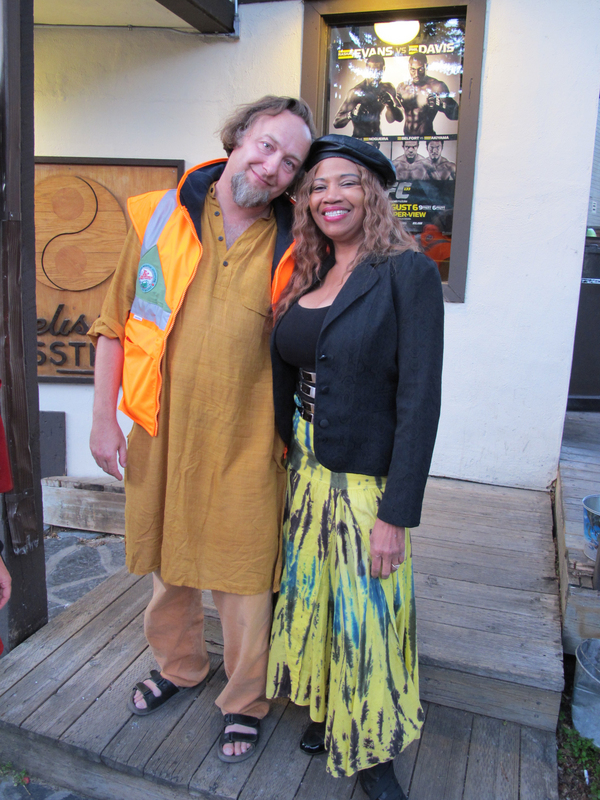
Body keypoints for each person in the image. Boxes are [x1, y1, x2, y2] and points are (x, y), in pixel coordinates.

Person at [88, 96, 314, 763]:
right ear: (238, 137)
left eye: (291, 162)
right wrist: (103, 420)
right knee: (168, 561)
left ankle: (244, 698)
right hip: (162, 427)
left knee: (246, 577)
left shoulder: (299, 239)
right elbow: (114, 325)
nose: (273, 167)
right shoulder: (160, 215)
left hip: (253, 434)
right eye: (267, 145)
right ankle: (180, 666)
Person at [267, 135, 444, 800]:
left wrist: (397, 515)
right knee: (314, 598)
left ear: (371, 192)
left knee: (369, 613)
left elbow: (420, 399)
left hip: (367, 479)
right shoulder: (307, 271)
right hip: (305, 470)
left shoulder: (406, 272)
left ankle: (375, 751)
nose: (328, 196)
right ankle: (327, 707)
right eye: (316, 186)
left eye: (344, 182)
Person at [333, 55, 404, 138]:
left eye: (378, 71)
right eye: (372, 71)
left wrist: (390, 105)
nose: (375, 75)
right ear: (367, 69)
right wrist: (351, 114)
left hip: (377, 139)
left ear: (383, 69)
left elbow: (399, 118)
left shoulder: (388, 88)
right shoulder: (356, 92)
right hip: (359, 140)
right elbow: (336, 122)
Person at [397, 53, 459, 136]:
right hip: (407, 138)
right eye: (413, 70)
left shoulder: (437, 86)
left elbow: (456, 115)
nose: (417, 74)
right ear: (409, 67)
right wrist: (391, 106)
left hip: (428, 137)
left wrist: (441, 106)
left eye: (420, 69)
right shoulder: (402, 87)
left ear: (426, 66)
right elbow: (395, 118)